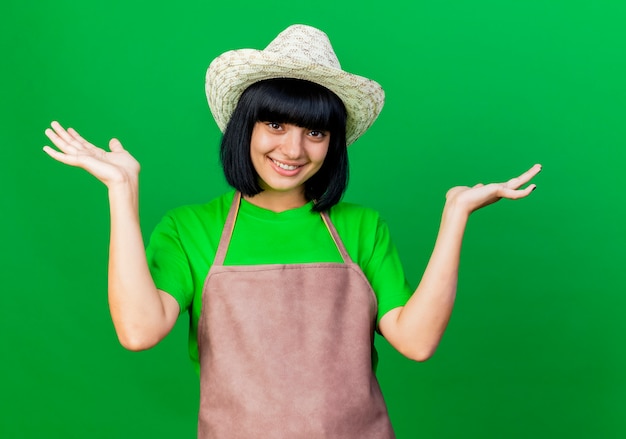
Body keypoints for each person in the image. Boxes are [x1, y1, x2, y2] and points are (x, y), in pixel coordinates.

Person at [43, 24, 541, 439]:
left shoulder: (361, 227)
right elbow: (139, 331)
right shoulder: (191, 228)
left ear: (333, 144)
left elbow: (416, 341)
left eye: (315, 132)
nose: (294, 149)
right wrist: (122, 194)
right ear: (246, 127)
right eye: (276, 125)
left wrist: (455, 216)